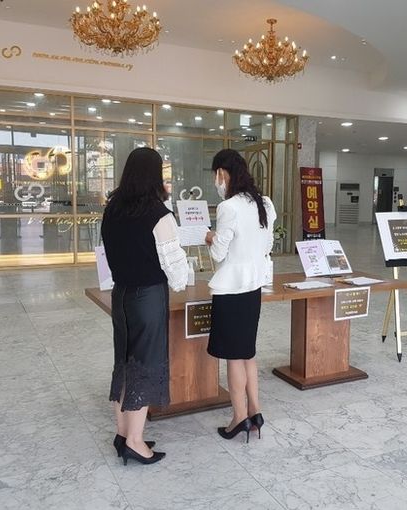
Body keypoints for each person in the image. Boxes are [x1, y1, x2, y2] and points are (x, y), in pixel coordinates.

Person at [101, 147, 188, 466]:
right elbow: (176, 272)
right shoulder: (159, 214)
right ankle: (135, 442)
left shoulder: (112, 209)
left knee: (124, 363)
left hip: (121, 294)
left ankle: (123, 434)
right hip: (148, 297)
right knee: (143, 365)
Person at [205, 148, 276, 443]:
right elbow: (267, 244)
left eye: (216, 175)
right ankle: (255, 412)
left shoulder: (229, 207)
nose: (216, 181)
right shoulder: (265, 203)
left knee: (234, 358)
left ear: (223, 173)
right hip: (253, 288)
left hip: (231, 289)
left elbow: (218, 253)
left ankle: (239, 417)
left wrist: (210, 237)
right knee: (247, 353)